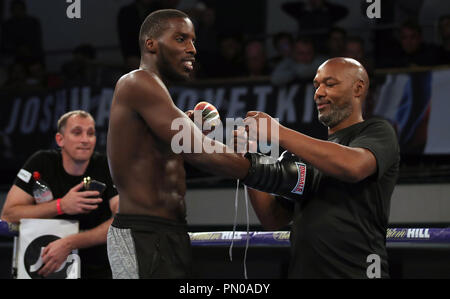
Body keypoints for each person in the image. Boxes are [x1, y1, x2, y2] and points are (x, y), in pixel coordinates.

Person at [106, 9, 249, 279]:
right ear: (151, 44)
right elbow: (196, 149)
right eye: (181, 39)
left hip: (170, 231)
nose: (192, 49)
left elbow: (185, 146)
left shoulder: (162, 100)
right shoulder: (136, 82)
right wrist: (256, 168)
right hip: (142, 232)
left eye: (193, 40)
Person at [240, 58, 400, 278]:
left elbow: (353, 166)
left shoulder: (377, 131)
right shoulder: (308, 156)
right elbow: (272, 218)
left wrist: (279, 132)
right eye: (316, 86)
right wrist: (247, 157)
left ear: (358, 88)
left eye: (330, 84)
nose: (318, 93)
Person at [1, 110, 119, 279]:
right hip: (45, 267)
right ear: (60, 139)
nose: (85, 139)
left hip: (97, 269)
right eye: (77, 132)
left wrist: (70, 242)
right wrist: (61, 205)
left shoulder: (105, 166)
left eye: (91, 133)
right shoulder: (41, 162)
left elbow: (121, 219)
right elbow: (9, 215)